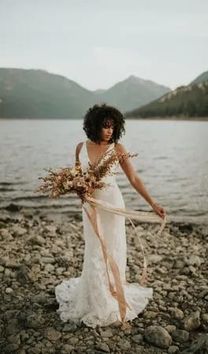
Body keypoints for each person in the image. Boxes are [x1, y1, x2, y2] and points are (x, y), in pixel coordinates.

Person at [55, 103, 166, 328]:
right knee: (94, 248)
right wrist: (78, 188)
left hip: (112, 203)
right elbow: (77, 175)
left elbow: (134, 179)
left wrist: (153, 202)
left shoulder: (118, 148)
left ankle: (112, 293)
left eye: (113, 127)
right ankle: (95, 298)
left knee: (113, 247)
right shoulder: (80, 148)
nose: (109, 131)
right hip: (91, 206)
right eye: (105, 126)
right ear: (94, 125)